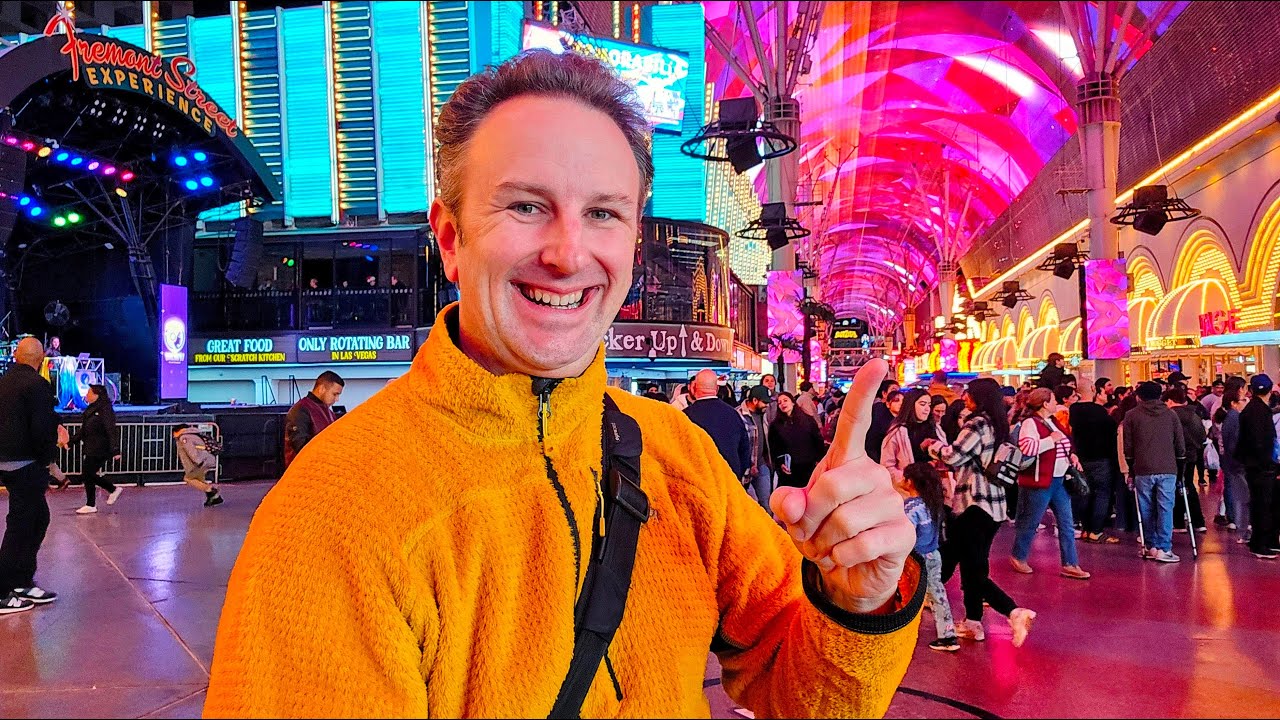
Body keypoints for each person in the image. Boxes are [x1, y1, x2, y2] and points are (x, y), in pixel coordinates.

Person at [205, 50, 923, 718]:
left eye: (603, 214)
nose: (567, 252)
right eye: (525, 206)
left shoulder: (679, 458)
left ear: (631, 243)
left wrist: (856, 602)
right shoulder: (332, 515)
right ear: (450, 240)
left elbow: (802, 691)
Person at [923, 378, 1036, 647]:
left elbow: (952, 456)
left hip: (973, 503)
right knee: (971, 564)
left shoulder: (976, 424)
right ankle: (973, 621)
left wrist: (931, 445)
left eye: (969, 394)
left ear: (978, 397)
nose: (965, 398)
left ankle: (1013, 611)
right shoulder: (999, 424)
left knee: (964, 565)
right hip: (993, 506)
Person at [0, 337, 61, 614]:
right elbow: (42, 429)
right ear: (40, 360)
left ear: (16, 356)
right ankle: (3, 591)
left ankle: (21, 580)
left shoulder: (3, 382)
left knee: (37, 518)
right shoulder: (37, 385)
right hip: (26, 464)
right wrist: (48, 460)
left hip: (7, 463)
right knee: (22, 524)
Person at [1008, 389, 1091, 580]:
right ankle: (1018, 555)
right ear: (1045, 404)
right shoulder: (1030, 424)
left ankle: (1070, 563)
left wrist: (1071, 454)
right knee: (1030, 521)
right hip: (1039, 480)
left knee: (1066, 523)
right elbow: (1027, 448)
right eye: (1053, 400)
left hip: (1057, 478)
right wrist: (1050, 440)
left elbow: (1064, 444)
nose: (1056, 403)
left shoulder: (1051, 421)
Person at [1123, 382, 1186, 563]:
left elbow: (1128, 446)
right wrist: (1181, 465)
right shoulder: (1171, 414)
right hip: (1168, 467)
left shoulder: (1131, 415)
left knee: (1146, 506)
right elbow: (1180, 445)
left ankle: (1150, 545)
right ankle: (1164, 547)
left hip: (1142, 467)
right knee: (1166, 507)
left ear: (1139, 396)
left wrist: (1131, 467)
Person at [899, 462, 959, 652]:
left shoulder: (911, 506)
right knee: (938, 596)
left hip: (914, 559)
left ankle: (900, 635)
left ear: (910, 482)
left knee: (905, 596)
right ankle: (947, 635)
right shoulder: (933, 503)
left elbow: (905, 534)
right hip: (933, 555)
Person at [1235, 374, 1280, 559]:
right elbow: (1263, 442)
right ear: (1271, 390)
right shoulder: (1263, 412)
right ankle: (1262, 543)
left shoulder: (1249, 410)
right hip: (1263, 466)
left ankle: (1265, 541)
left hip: (1253, 464)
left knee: (1261, 503)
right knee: (1265, 504)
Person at [1072, 379, 1122, 543]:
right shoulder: (1100, 413)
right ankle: (1096, 530)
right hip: (1101, 457)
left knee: (1085, 492)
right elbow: (1110, 434)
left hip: (1081, 457)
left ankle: (1086, 528)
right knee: (1102, 493)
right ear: (1093, 389)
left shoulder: (1074, 410)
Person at [63, 384, 123, 514]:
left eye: (89, 393)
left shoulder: (105, 410)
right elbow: (84, 430)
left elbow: (110, 430)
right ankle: (97, 499)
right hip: (92, 447)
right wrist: (71, 442)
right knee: (88, 475)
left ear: (97, 395)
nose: (86, 396)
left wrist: (115, 450)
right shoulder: (91, 410)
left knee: (87, 474)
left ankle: (105, 494)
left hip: (101, 448)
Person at [684, 369, 751, 480]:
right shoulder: (734, 414)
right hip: (729, 478)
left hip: (698, 480)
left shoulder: (685, 416)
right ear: (717, 388)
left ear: (694, 387)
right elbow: (744, 449)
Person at [1164, 386, 1208, 534]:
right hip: (1191, 455)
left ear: (1170, 401)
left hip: (1174, 456)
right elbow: (1202, 436)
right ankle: (1198, 521)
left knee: (1175, 488)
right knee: (1188, 486)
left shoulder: (1169, 416)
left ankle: (1178, 522)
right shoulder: (1194, 415)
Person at [880, 389, 944, 484]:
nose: (927, 409)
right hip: (910, 488)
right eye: (922, 404)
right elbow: (887, 465)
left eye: (929, 405)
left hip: (935, 486)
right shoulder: (897, 431)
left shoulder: (935, 428)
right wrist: (907, 479)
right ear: (910, 405)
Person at [283, 371, 344, 468]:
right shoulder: (301, 410)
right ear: (322, 389)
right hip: (302, 473)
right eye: (335, 394)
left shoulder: (329, 413)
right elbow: (300, 446)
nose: (337, 399)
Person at [768, 391, 828, 489]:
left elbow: (818, 441)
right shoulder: (775, 425)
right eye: (779, 402)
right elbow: (775, 448)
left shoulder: (808, 420)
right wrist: (780, 464)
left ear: (792, 402)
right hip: (789, 470)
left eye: (785, 400)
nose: (782, 404)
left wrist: (819, 459)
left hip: (809, 466)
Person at [1217, 380, 1250, 539]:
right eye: (1242, 400)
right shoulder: (1234, 418)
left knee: (1231, 488)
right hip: (1235, 462)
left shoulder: (1229, 417)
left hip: (1229, 460)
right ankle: (1240, 524)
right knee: (1238, 492)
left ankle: (1235, 520)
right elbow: (1234, 442)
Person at [738, 385, 774, 514]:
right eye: (764, 402)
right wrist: (749, 464)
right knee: (747, 505)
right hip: (745, 469)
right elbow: (739, 445)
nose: (767, 405)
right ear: (754, 401)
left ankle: (769, 532)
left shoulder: (763, 415)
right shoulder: (738, 416)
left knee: (767, 503)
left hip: (762, 464)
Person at [174, 424, 223, 507]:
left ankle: (211, 490)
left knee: (188, 478)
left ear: (177, 431)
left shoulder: (184, 437)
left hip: (200, 462)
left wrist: (198, 461)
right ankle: (214, 496)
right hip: (206, 460)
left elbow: (191, 451)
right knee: (199, 480)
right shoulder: (194, 434)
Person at [864, 378, 899, 462]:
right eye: (893, 390)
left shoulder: (890, 411)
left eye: (899, 390)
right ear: (884, 393)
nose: (898, 394)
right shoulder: (878, 409)